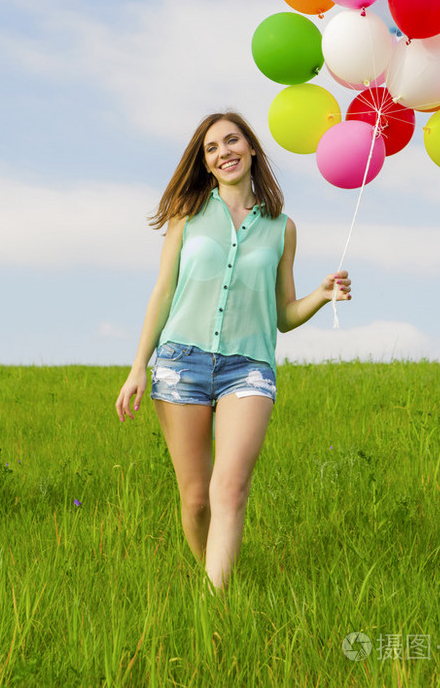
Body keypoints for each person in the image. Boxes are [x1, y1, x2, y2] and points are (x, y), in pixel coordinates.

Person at [115, 111, 351, 590]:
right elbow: (163, 291)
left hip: (249, 369)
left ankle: (216, 603)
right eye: (212, 148)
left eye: (232, 141)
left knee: (230, 487)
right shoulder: (188, 215)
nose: (224, 152)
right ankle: (212, 572)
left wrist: (321, 294)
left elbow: (282, 314)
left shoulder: (281, 228)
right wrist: (138, 366)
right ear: (205, 164)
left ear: (253, 148)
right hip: (180, 364)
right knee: (197, 499)